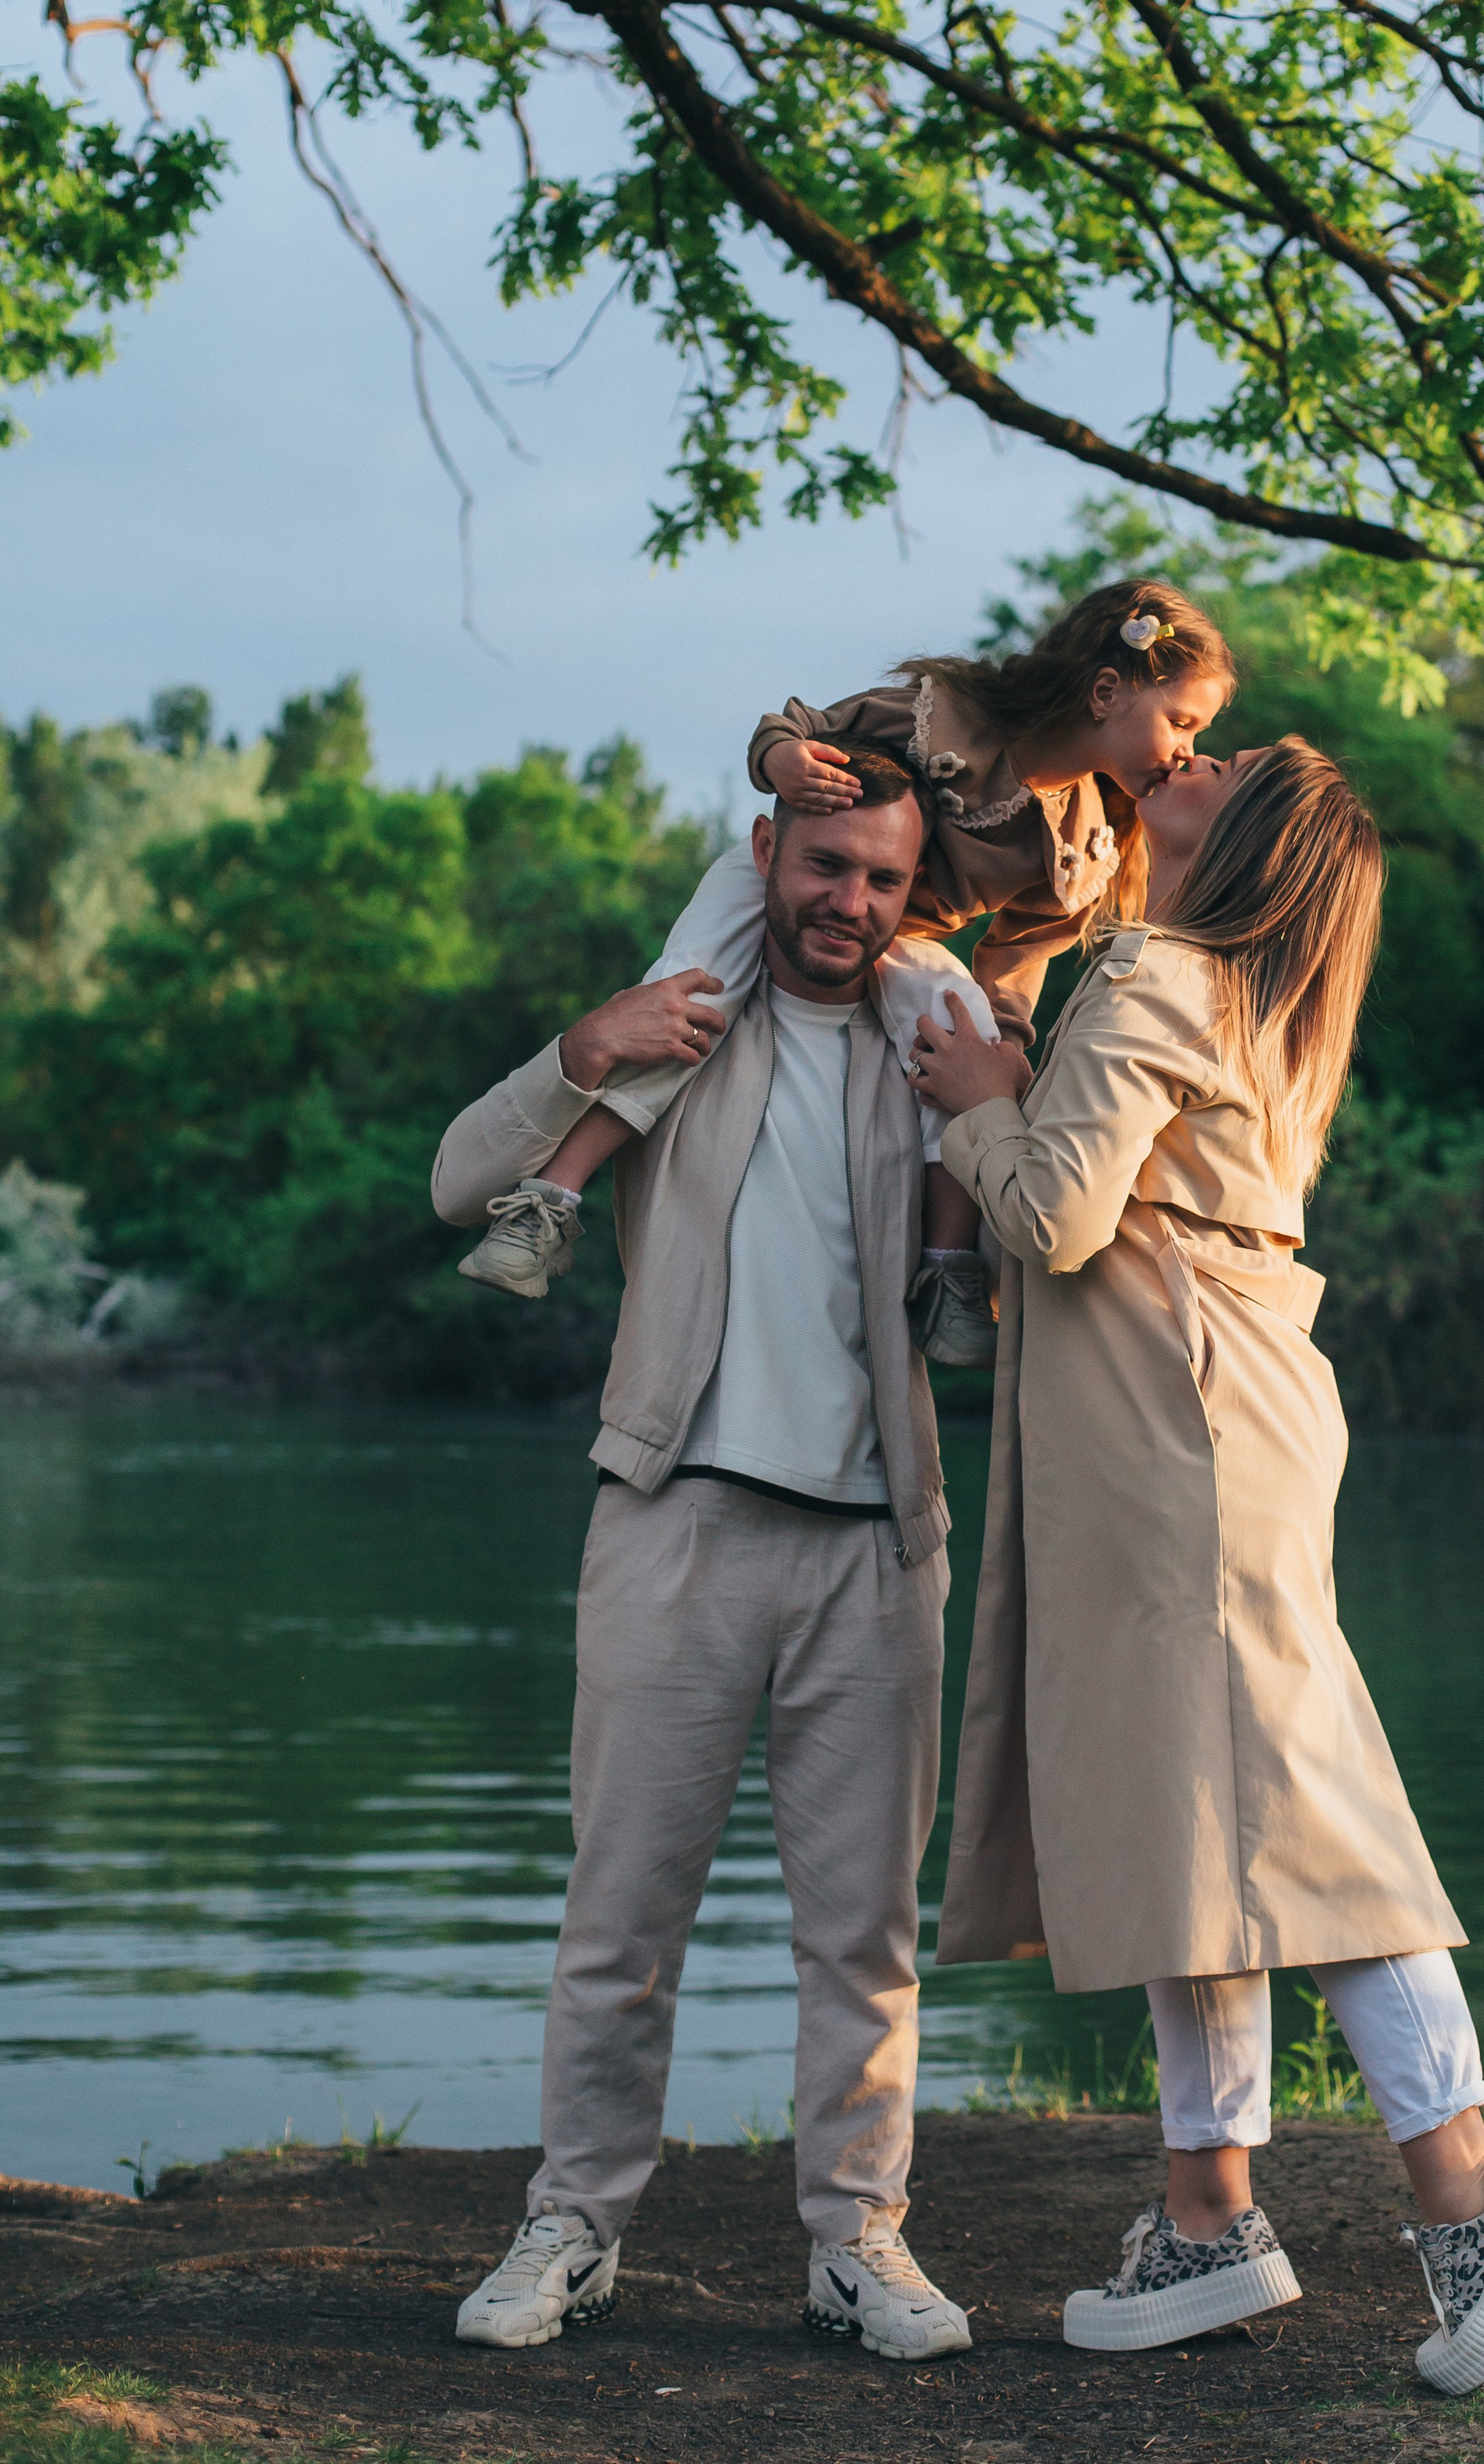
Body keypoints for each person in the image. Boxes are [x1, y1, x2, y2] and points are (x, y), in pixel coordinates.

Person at [909, 739, 1484, 2396]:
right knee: (1188, 1810)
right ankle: (1205, 2210)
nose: (1184, 755)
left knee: (1292, 1796)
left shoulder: (1158, 966)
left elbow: (1059, 1213)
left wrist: (981, 1109)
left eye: (1227, 761)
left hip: (1176, 1424)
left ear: (1254, 835)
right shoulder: (1259, 995)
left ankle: (1466, 2179)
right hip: (1201, 1405)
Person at [432, 739, 971, 2363]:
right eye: (824, 868)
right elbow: (463, 1180)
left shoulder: (924, 1033)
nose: (850, 902)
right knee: (621, 1916)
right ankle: (573, 2227)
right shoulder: (682, 1023)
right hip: (674, 1521)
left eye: (881, 877)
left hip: (878, 1549)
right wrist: (573, 1049)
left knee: (866, 1936)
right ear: (766, 854)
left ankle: (857, 2241)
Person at [454, 578, 1235, 1365]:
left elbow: (1017, 957)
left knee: (952, 1038)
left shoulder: (1085, 839)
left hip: (893, 946)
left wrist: (995, 1051)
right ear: (1106, 691)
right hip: (774, 893)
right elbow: (797, 726)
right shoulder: (952, 716)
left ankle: (948, 1268)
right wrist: (785, 764)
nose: (1187, 750)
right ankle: (546, 1202)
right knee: (689, 1005)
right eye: (1182, 721)